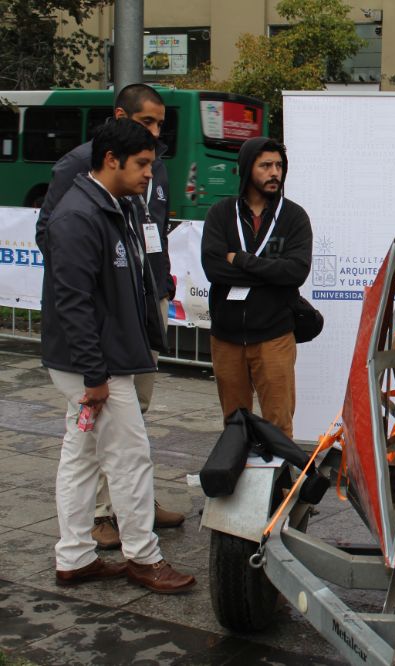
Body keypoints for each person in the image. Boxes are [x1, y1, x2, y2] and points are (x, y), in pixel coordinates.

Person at [41, 119, 194, 593]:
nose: (151, 173)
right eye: (143, 164)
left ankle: (74, 557)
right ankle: (144, 559)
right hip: (96, 366)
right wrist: (95, 375)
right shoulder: (79, 217)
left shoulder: (113, 206)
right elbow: (73, 302)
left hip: (100, 361)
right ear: (111, 161)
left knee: (82, 456)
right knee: (129, 458)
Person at [201, 137, 312, 438]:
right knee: (235, 425)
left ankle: (281, 486)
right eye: (265, 166)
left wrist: (240, 260)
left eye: (279, 166)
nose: (274, 172)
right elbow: (213, 268)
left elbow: (296, 271)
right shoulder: (221, 214)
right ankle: (240, 483)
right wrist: (270, 273)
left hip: (274, 334)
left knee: (279, 424)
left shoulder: (294, 217)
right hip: (226, 337)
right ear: (247, 169)